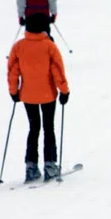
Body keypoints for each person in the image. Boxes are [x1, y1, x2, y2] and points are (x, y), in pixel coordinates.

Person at [7, 15, 70, 183]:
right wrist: (64, 91)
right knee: (49, 127)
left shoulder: (18, 47)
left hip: (28, 95)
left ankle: (31, 167)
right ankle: (50, 166)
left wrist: (14, 91)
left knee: (33, 128)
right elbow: (57, 70)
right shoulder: (49, 46)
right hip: (48, 94)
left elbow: (13, 70)